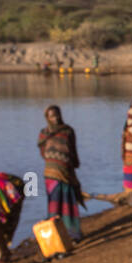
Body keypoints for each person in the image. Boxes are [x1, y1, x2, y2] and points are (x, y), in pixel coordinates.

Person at [38, 104, 84, 242]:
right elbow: (43, 153)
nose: (55, 118)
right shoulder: (44, 133)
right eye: (52, 116)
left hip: (66, 172)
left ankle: (73, 234)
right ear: (47, 118)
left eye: (57, 115)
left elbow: (73, 150)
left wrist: (73, 163)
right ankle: (56, 236)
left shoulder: (68, 131)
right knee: (54, 206)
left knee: (69, 205)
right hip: (51, 174)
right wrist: (55, 160)